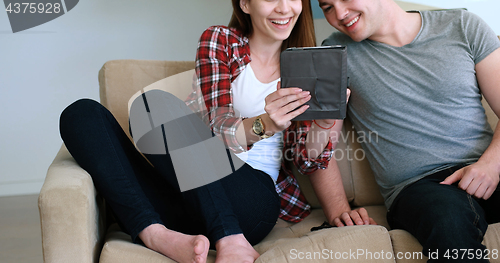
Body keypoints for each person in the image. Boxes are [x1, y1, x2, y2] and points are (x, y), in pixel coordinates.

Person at [59, 1, 371, 263]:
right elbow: (214, 127)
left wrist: (324, 124)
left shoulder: (308, 65)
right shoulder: (221, 42)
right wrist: (264, 124)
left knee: (153, 105)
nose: (283, 8)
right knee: (88, 113)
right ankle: (155, 234)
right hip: (184, 195)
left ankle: (229, 237)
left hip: (250, 201)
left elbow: (308, 160)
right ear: (245, 4)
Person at [318, 0, 500, 261]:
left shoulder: (463, 25)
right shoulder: (334, 54)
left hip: (486, 168)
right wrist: (339, 210)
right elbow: (319, 144)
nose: (339, 14)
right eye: (327, 7)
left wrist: (491, 165)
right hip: (419, 188)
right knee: (447, 219)